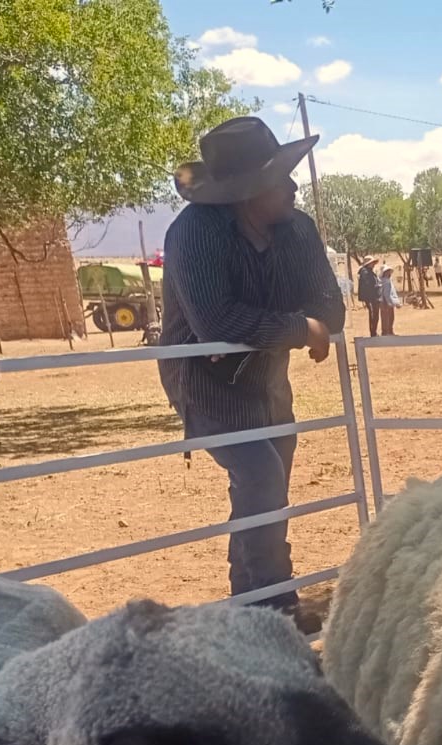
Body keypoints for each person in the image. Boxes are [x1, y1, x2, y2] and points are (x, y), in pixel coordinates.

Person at [158, 116, 344, 628]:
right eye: (280, 176)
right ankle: (272, 607)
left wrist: (276, 328)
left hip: (266, 376)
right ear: (246, 191)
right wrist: (295, 327)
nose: (292, 185)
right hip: (204, 382)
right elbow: (215, 319)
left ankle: (254, 603)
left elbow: (330, 309)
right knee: (260, 475)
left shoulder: (297, 229)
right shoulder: (193, 233)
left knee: (269, 482)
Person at [356, 257, 380, 336]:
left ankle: (374, 331)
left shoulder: (369, 272)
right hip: (370, 296)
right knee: (373, 313)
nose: (373, 264)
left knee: (375, 313)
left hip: (373, 296)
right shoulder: (365, 272)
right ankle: (373, 332)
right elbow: (367, 285)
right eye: (372, 263)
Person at [378, 265, 400, 336]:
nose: (388, 273)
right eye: (386, 272)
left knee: (390, 317)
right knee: (386, 317)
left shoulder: (386, 281)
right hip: (385, 302)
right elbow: (386, 293)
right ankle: (386, 331)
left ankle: (389, 331)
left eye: (389, 271)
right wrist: (389, 302)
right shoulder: (386, 281)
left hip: (387, 301)